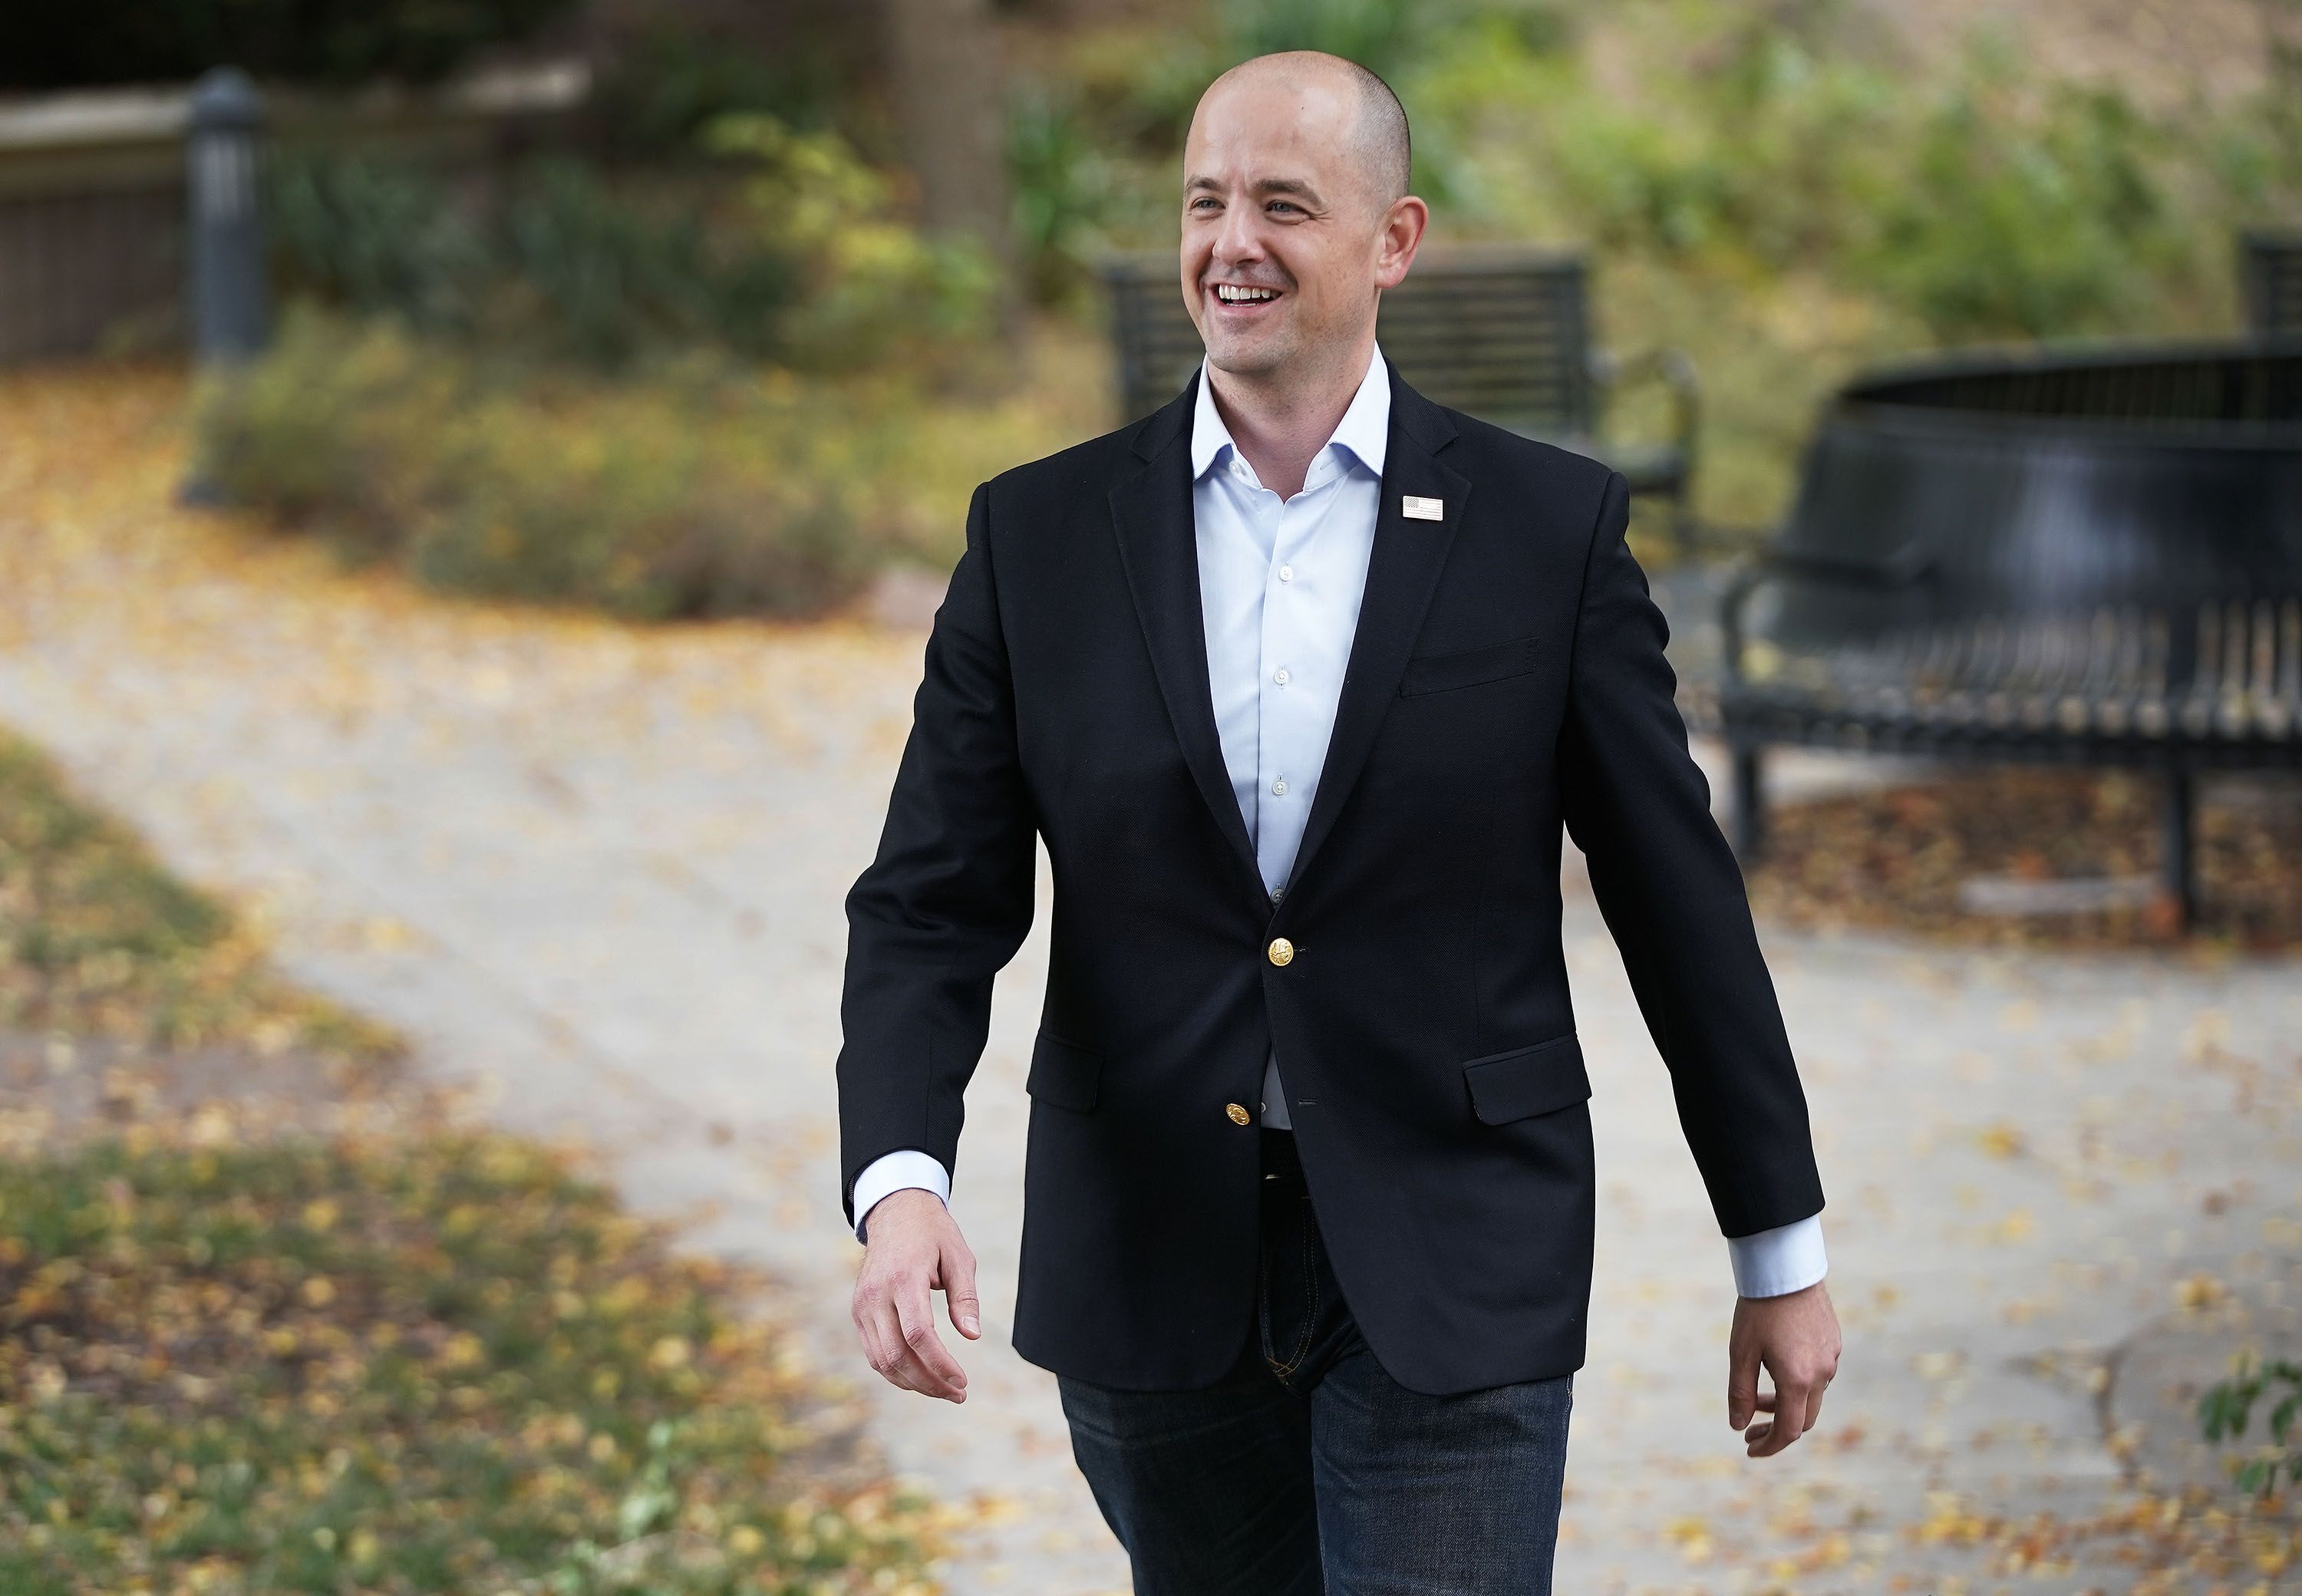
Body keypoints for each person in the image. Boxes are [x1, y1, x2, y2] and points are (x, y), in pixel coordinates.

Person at [834, 48, 1841, 1595]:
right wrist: (904, 1179)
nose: (1232, 242)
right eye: (1206, 201)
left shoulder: (1546, 530)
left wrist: (1777, 1245)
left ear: (1394, 239)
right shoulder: (1037, 535)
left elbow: (1675, 896)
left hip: (1456, 1244)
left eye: (1285, 204)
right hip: (1154, 1260)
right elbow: (931, 898)